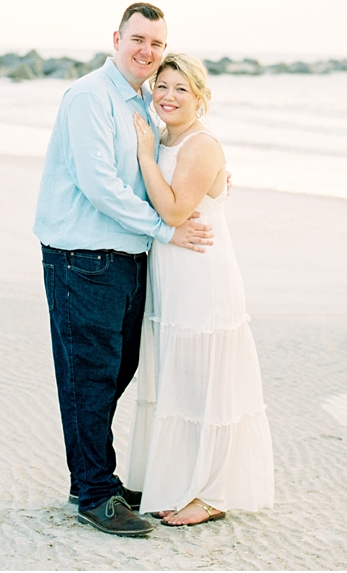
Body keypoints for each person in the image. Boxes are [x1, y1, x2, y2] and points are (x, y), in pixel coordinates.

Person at [33, 3, 214, 537]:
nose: (147, 51)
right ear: (116, 38)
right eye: (138, 39)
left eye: (156, 44)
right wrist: (165, 230)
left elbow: (159, 168)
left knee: (118, 369)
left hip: (126, 256)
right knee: (89, 375)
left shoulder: (140, 98)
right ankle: (94, 491)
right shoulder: (90, 96)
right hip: (82, 258)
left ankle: (90, 475)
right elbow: (99, 185)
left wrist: (215, 176)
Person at [126, 53, 275, 526]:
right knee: (179, 380)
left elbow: (171, 211)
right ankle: (180, 482)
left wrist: (145, 157)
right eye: (162, 86)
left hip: (202, 276)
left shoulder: (200, 144)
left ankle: (212, 494)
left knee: (206, 384)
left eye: (180, 89)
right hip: (171, 273)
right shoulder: (167, 134)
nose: (168, 96)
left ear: (200, 96)